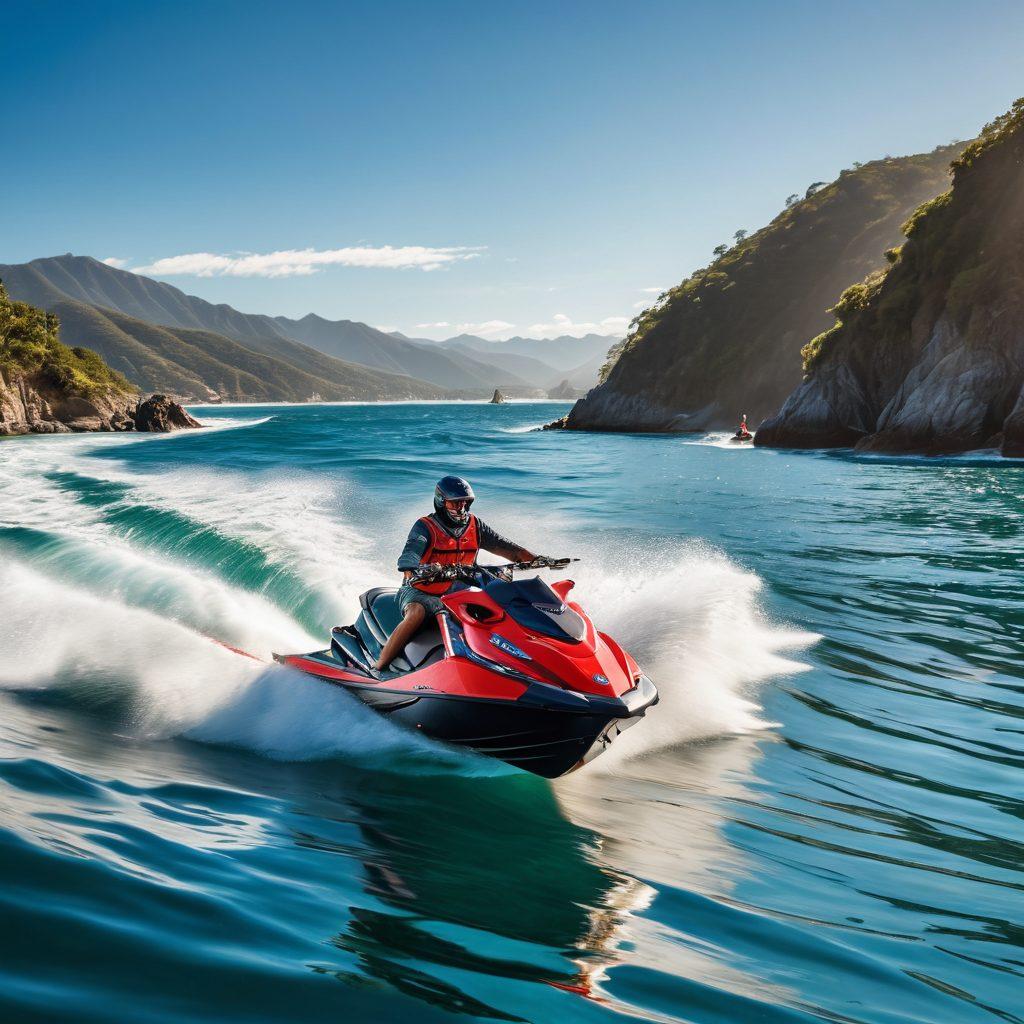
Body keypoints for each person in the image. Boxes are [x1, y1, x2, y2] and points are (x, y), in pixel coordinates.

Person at [374, 475, 539, 671]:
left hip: (457, 590)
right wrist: (411, 568)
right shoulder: (425, 526)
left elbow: (508, 548)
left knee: (499, 605)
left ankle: (517, 658)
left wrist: (538, 559)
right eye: (455, 503)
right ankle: (380, 665)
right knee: (416, 613)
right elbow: (411, 551)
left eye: (464, 502)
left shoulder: (475, 525)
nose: (461, 508)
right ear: (441, 502)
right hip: (420, 589)